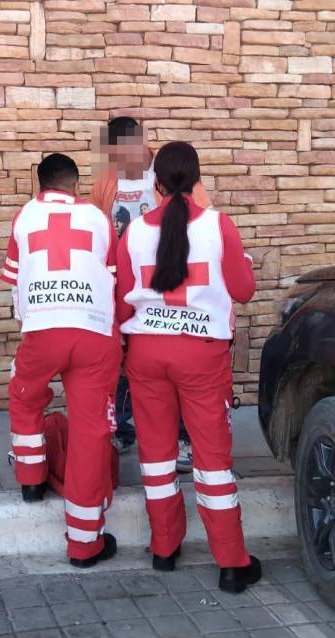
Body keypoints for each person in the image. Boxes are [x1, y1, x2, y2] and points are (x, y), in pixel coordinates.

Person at [116, 141, 262, 593]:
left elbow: (121, 298)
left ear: (155, 182)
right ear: (196, 180)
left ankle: (164, 549)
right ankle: (232, 562)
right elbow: (244, 290)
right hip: (202, 357)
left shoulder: (135, 230)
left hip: (146, 354)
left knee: (157, 457)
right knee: (212, 460)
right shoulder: (219, 226)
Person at [2, 153, 121, 568]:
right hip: (94, 333)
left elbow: (14, 278)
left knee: (25, 397)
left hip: (43, 332)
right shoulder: (99, 218)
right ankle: (85, 543)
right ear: (75, 183)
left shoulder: (24, 217)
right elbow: (113, 274)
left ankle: (31, 481)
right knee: (90, 432)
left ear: (40, 184)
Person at [91, 116, 204, 469]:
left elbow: (200, 220)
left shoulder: (170, 172)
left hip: (168, 277)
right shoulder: (105, 181)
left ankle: (184, 437)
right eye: (115, 153)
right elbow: (96, 229)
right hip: (124, 281)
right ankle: (122, 427)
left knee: (176, 358)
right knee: (123, 351)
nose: (122, 160)